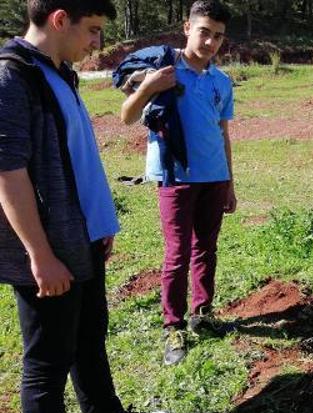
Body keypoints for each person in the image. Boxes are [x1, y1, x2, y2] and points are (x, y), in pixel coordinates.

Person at [0, 1, 158, 413]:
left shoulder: (58, 72)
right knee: (46, 365)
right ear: (59, 19)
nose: (97, 42)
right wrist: (40, 255)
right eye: (92, 30)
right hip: (49, 253)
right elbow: (7, 174)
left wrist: (98, 221)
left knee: (89, 339)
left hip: (80, 237)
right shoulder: (12, 77)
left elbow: (75, 157)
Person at [119, 0, 236, 366]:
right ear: (187, 28)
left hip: (214, 177)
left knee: (207, 249)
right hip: (177, 177)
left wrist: (230, 181)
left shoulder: (221, 80)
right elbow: (127, 116)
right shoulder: (162, 71)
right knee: (177, 254)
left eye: (218, 36)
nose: (210, 42)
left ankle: (203, 312)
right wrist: (148, 87)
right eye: (204, 32)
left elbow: (223, 131)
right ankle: (174, 326)